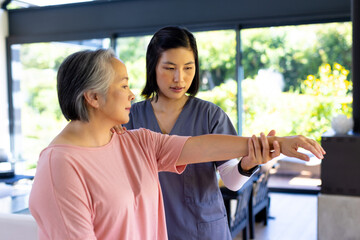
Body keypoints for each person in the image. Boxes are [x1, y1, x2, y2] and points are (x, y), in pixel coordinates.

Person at [29, 48, 325, 240]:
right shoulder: (60, 166)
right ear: (92, 98)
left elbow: (201, 146)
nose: (132, 94)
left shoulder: (136, 142)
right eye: (123, 85)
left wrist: (275, 143)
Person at [115, 26, 277, 239]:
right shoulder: (129, 117)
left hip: (204, 230)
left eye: (188, 68)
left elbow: (231, 181)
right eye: (169, 68)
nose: (179, 79)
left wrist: (247, 165)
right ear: (153, 67)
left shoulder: (210, 115)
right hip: (150, 229)